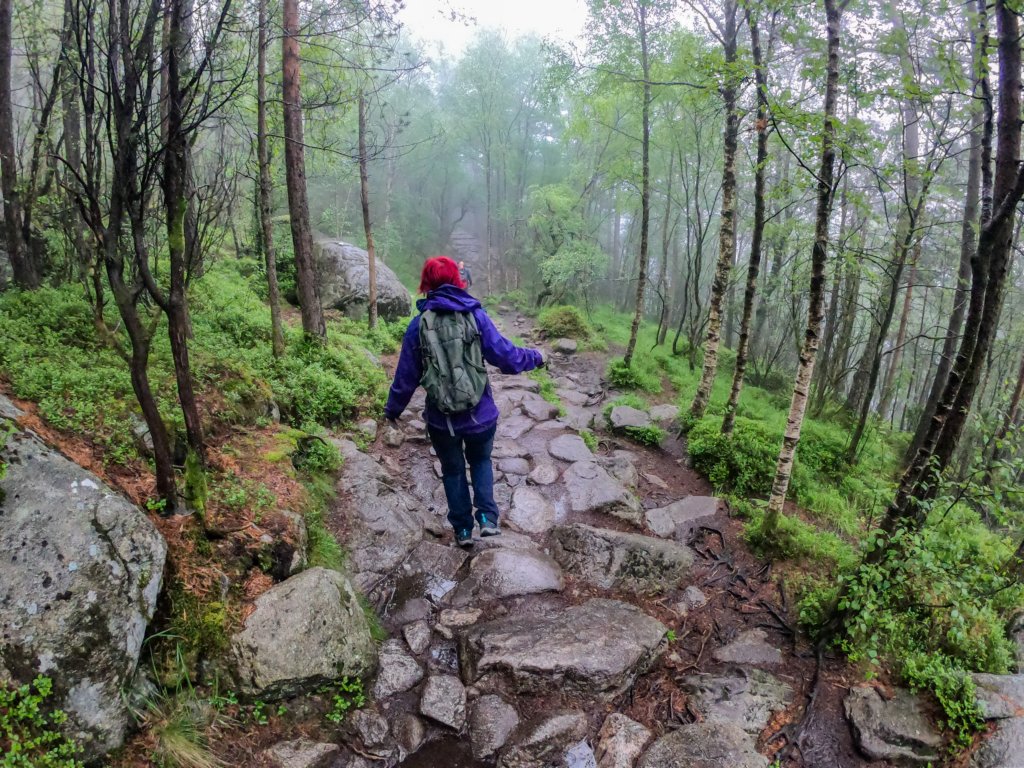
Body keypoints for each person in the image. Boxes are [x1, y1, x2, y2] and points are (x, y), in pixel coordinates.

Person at [384, 256, 544, 547]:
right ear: (458, 281)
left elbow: (405, 377)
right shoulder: (476, 316)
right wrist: (536, 356)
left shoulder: (418, 326)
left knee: (453, 470)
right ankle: (487, 520)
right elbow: (506, 356)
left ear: (427, 284)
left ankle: (462, 530)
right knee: (481, 460)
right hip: (480, 416)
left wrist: (392, 410)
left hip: (441, 421)